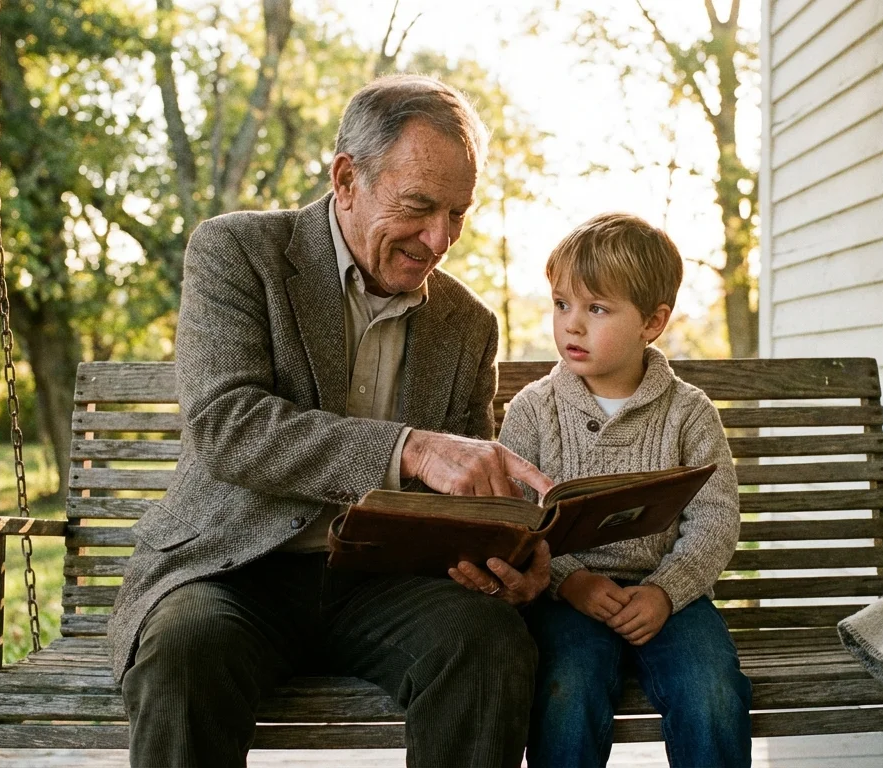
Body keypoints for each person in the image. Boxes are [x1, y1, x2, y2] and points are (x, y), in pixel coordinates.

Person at [108, 75, 555, 767]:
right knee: (186, 651)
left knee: (489, 639)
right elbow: (229, 423)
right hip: (231, 570)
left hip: (384, 587)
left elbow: (466, 489)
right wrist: (410, 449)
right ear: (347, 177)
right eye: (419, 206)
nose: (440, 239)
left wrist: (513, 556)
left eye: (459, 214)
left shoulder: (468, 323)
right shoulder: (239, 253)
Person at [498, 213, 752, 768]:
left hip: (671, 597)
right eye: (562, 304)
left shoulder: (689, 414)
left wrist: (666, 591)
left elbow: (716, 520)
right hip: (568, 598)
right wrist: (570, 582)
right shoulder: (534, 411)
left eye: (597, 308)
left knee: (711, 693)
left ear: (652, 322)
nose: (572, 325)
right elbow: (516, 520)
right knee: (566, 690)